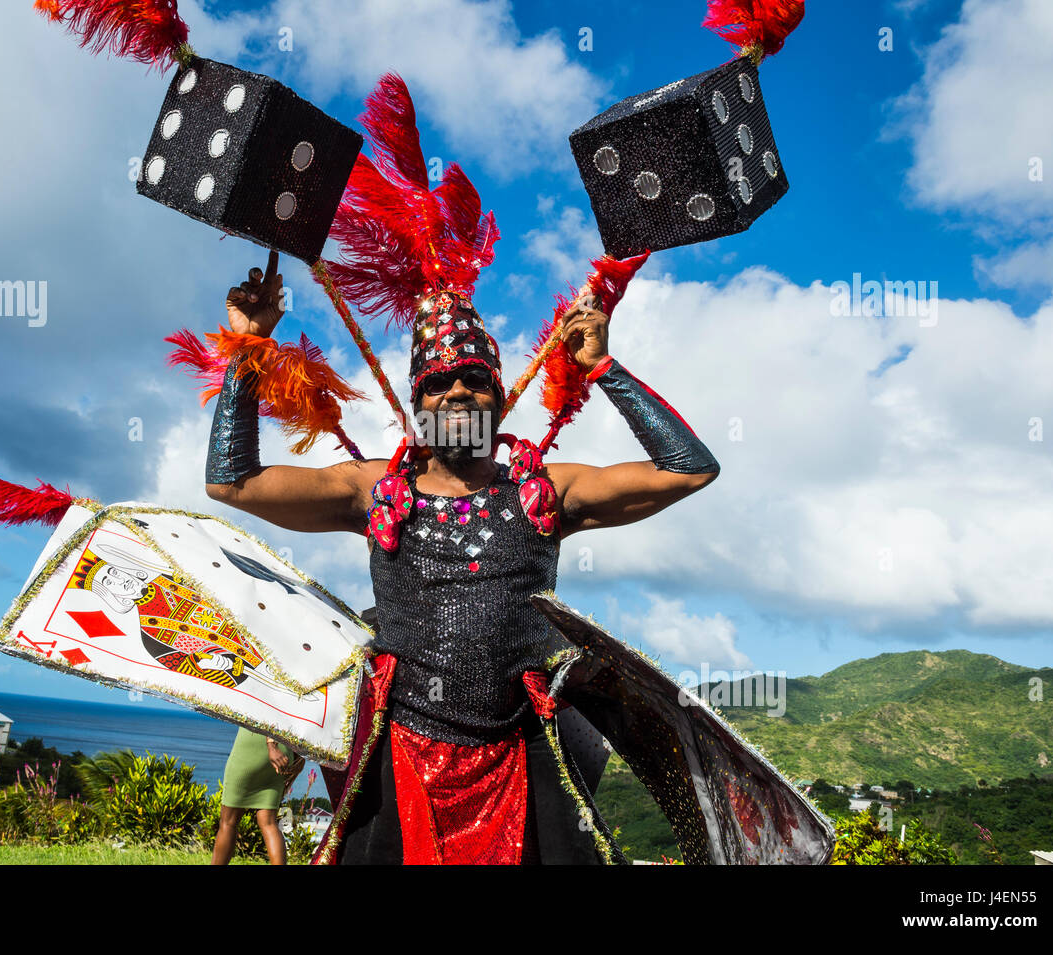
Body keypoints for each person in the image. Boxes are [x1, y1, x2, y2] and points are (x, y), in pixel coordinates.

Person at [203, 247, 720, 864]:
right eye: (437, 382)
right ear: (418, 407)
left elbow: (689, 469)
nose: (456, 392)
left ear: (498, 401)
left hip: (524, 765)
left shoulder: (547, 492)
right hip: (399, 767)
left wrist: (602, 366)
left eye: (475, 380)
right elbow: (231, 481)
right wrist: (250, 347)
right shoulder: (369, 491)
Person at [211, 726, 303, 865]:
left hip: (257, 744)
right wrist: (301, 756)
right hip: (285, 751)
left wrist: (271, 745)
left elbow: (268, 706)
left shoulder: (269, 745)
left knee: (228, 822)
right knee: (269, 823)